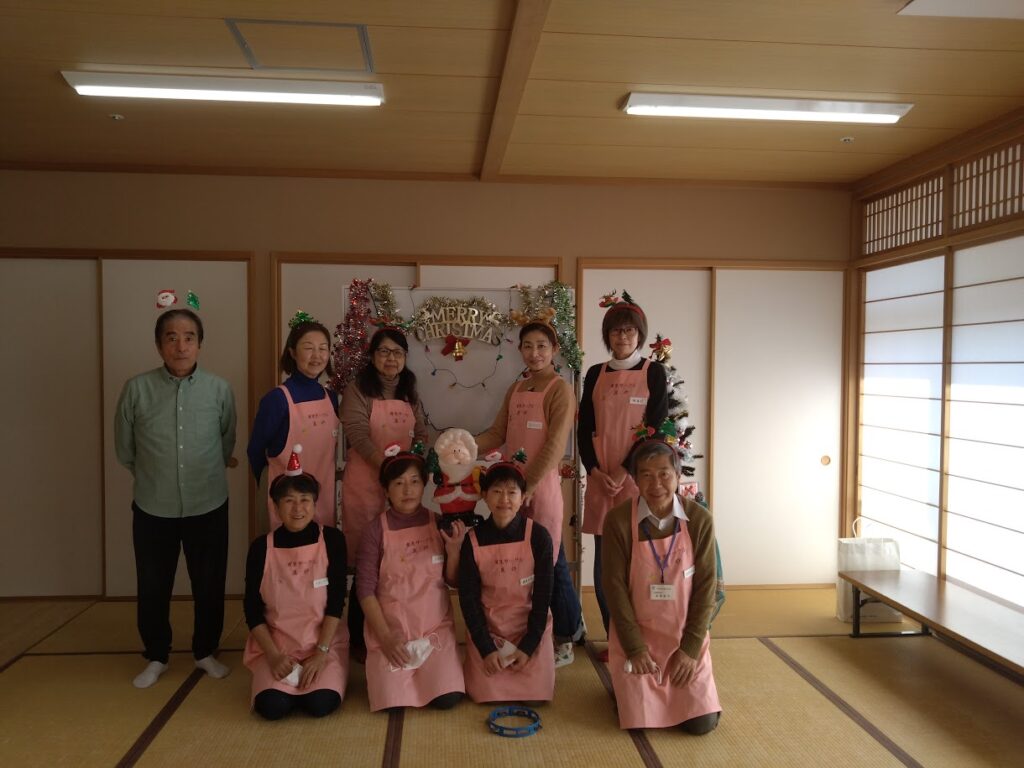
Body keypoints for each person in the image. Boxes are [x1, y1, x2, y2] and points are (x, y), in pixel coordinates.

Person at [114, 308, 236, 689]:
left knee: (210, 583)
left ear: (200, 344)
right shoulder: (136, 389)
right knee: (153, 584)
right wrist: (155, 476)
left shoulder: (219, 389)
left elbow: (226, 441)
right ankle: (156, 655)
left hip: (208, 502)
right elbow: (125, 450)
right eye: (171, 337)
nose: (180, 346)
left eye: (189, 337)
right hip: (153, 505)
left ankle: (205, 651)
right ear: (158, 344)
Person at [476, 320, 583, 668]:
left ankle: (566, 636)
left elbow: (554, 447)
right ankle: (558, 626)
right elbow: (497, 434)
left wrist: (527, 488)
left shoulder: (560, 389)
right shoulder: (516, 388)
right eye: (527, 346)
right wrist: (463, 445)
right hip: (513, 492)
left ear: (554, 350)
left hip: (540, 489)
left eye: (541, 346)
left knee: (551, 561)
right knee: (528, 561)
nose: (534, 353)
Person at [603, 434, 721, 734]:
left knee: (701, 725)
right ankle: (623, 684)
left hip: (683, 638)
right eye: (646, 475)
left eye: (664, 474)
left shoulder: (699, 520)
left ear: (678, 476)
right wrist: (635, 648)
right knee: (639, 723)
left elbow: (707, 587)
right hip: (639, 639)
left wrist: (690, 649)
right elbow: (614, 589)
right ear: (635, 480)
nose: (656, 484)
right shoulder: (618, 521)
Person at [578, 293, 667, 640]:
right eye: (616, 331)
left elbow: (656, 428)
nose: (623, 337)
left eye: (629, 330)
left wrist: (625, 470)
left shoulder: (653, 372)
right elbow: (584, 428)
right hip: (601, 480)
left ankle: (639, 639)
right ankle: (614, 638)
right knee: (605, 564)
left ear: (639, 334)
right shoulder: (595, 373)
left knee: (641, 559)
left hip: (638, 480)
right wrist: (595, 471)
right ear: (607, 335)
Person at [357, 444, 466, 711]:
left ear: (424, 485)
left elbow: (453, 581)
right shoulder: (374, 531)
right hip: (391, 634)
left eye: (415, 481)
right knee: (393, 705)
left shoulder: (439, 522)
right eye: (399, 483)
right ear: (386, 490)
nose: (408, 490)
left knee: (447, 699)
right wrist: (386, 638)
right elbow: (365, 590)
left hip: (434, 633)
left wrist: (454, 552)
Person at [340, 327, 429, 653]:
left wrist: (413, 466)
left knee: (397, 559)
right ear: (373, 356)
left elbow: (422, 434)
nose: (391, 358)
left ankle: (396, 629)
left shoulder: (409, 391)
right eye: (384, 351)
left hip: (402, 487)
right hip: (365, 485)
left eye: (398, 353)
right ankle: (358, 641)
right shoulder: (357, 389)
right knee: (366, 562)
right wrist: (390, 470)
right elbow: (358, 435)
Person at [243, 461, 349, 720]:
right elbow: (252, 609)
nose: (298, 508)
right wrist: (273, 656)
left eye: (305, 500)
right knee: (272, 707)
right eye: (289, 501)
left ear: (315, 503)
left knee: (320, 704)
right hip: (277, 647)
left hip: (323, 644)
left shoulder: (333, 540)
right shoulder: (260, 548)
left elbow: (336, 602)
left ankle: (326, 671)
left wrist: (321, 653)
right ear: (276, 506)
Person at [458, 459, 555, 703]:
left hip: (529, 628)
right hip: (490, 631)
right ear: (484, 496)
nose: (504, 499)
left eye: (512, 492)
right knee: (484, 695)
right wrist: (486, 648)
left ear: (523, 497)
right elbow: (468, 600)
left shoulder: (539, 536)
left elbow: (543, 596)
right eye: (497, 491)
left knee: (536, 698)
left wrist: (529, 645)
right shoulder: (472, 540)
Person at [247, 313, 339, 530]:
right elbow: (255, 451)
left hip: (322, 497)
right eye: (308, 348)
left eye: (323, 348)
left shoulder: (331, 397)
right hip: (285, 501)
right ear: (292, 352)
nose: (317, 355)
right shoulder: (277, 399)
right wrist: (273, 487)